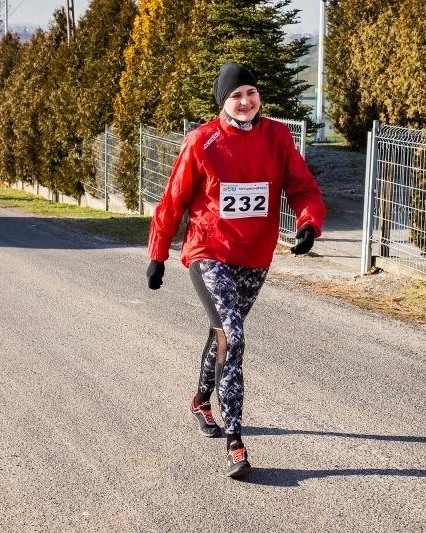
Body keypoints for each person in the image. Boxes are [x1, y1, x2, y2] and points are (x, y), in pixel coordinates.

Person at [146, 62, 326, 478]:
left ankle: (199, 401)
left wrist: (308, 222)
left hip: (254, 257)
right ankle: (235, 441)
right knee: (234, 332)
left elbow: (302, 188)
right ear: (223, 102)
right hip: (208, 251)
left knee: (224, 335)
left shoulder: (278, 136)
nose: (245, 102)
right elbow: (173, 201)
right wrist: (158, 253)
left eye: (250, 93)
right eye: (235, 96)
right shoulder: (202, 142)